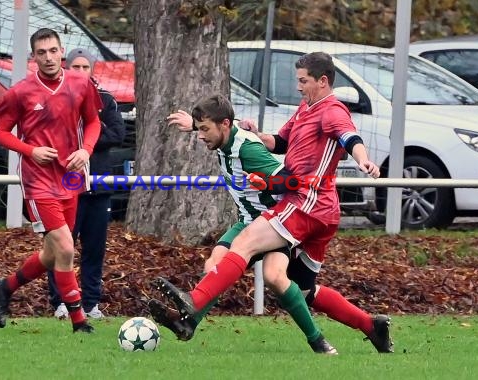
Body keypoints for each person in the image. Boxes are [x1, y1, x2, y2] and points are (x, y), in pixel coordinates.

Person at [155, 52, 394, 353]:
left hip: (307, 200)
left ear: (322, 81)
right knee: (302, 289)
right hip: (322, 208)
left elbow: (350, 138)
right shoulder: (306, 108)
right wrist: (256, 135)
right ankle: (371, 326)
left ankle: (194, 303)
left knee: (245, 243)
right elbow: (279, 142)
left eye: (302, 81)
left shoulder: (332, 111)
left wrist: (364, 161)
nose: (298, 87)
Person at [150, 94, 338, 354]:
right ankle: (189, 322)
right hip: (246, 220)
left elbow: (286, 179)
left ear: (224, 125)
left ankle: (317, 340)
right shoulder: (224, 135)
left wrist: (267, 184)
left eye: (204, 129)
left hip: (272, 223)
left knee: (275, 277)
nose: (200, 136)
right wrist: (193, 124)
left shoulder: (247, 149)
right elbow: (221, 124)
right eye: (200, 129)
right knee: (213, 265)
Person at [0, 28, 103, 333]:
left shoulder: (81, 84)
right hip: (38, 181)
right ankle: (79, 322)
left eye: (53, 51)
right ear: (33, 57)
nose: (49, 57)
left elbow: (93, 122)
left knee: (53, 253)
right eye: (42, 53)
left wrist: (85, 149)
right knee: (66, 248)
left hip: (69, 178)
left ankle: (6, 287)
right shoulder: (20, 92)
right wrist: (31, 150)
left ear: (61, 51)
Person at [47, 48, 126, 320]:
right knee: (63, 245)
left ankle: (91, 303)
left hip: (98, 187)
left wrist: (88, 136)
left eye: (85, 67)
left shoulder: (105, 99)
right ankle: (60, 302)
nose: (80, 72)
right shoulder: (56, 97)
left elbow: (117, 133)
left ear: (92, 71)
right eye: (75, 67)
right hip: (66, 187)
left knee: (94, 249)